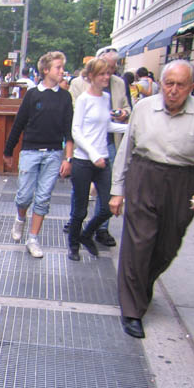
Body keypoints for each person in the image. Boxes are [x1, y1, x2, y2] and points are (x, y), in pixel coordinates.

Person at [109, 60, 194, 339]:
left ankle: (142, 284)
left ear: (191, 88)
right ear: (161, 84)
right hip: (144, 175)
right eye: (169, 83)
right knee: (139, 242)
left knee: (168, 245)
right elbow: (126, 150)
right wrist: (117, 190)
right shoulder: (145, 109)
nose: (173, 91)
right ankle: (132, 308)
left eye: (180, 85)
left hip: (183, 182)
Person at [3, 51, 73, 258]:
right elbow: (19, 124)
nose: (62, 71)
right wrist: (8, 151)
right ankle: (20, 218)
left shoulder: (65, 97)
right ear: (46, 70)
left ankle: (33, 238)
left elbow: (69, 130)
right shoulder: (33, 95)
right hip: (31, 151)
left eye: (62, 67)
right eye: (58, 67)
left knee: (43, 198)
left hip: (53, 153)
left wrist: (68, 159)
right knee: (24, 196)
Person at [67, 47, 130, 246]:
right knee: (80, 209)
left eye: (109, 72)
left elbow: (107, 124)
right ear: (91, 76)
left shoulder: (106, 98)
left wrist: (129, 128)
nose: (107, 76)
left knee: (106, 207)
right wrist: (93, 154)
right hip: (84, 160)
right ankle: (74, 244)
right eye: (102, 73)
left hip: (104, 156)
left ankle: (88, 234)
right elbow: (76, 130)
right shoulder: (84, 98)